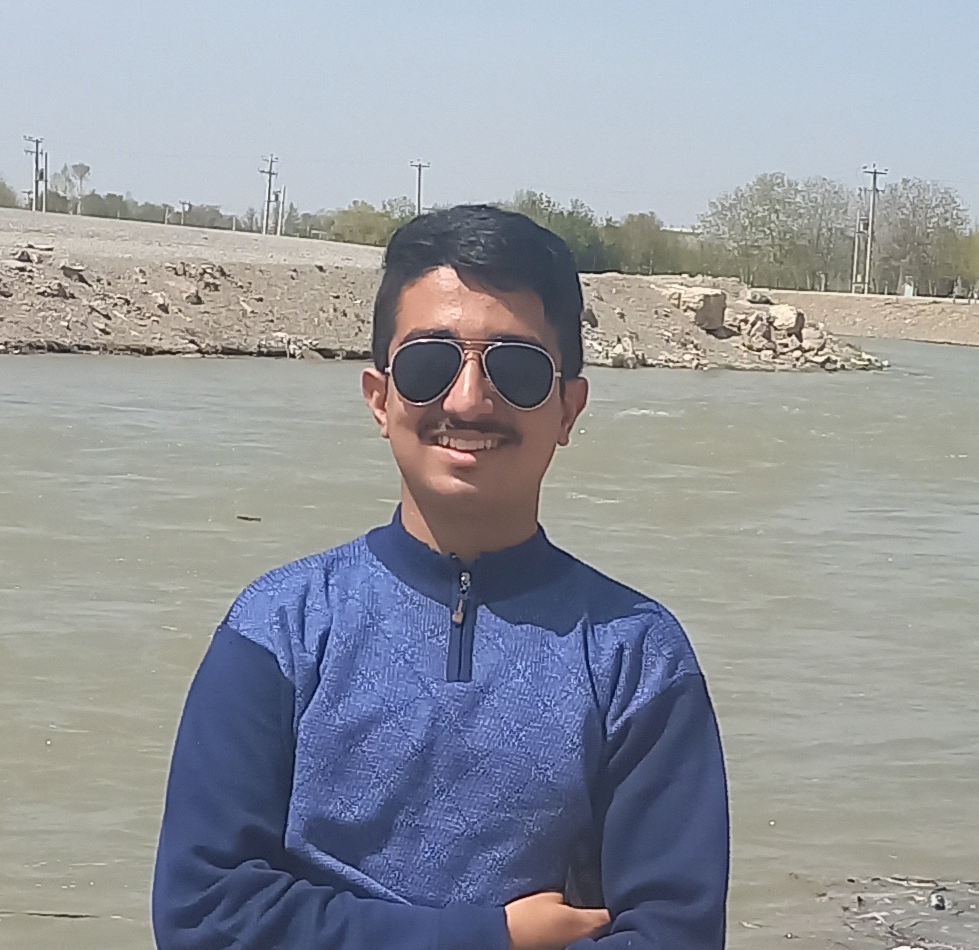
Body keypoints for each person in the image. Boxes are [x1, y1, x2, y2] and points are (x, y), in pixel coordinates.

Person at [152, 204, 729, 950]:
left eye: (516, 369)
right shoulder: (279, 629)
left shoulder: (635, 656)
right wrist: (492, 936)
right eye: (430, 362)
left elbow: (674, 933)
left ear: (568, 408)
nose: (468, 400)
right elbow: (202, 914)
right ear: (379, 397)